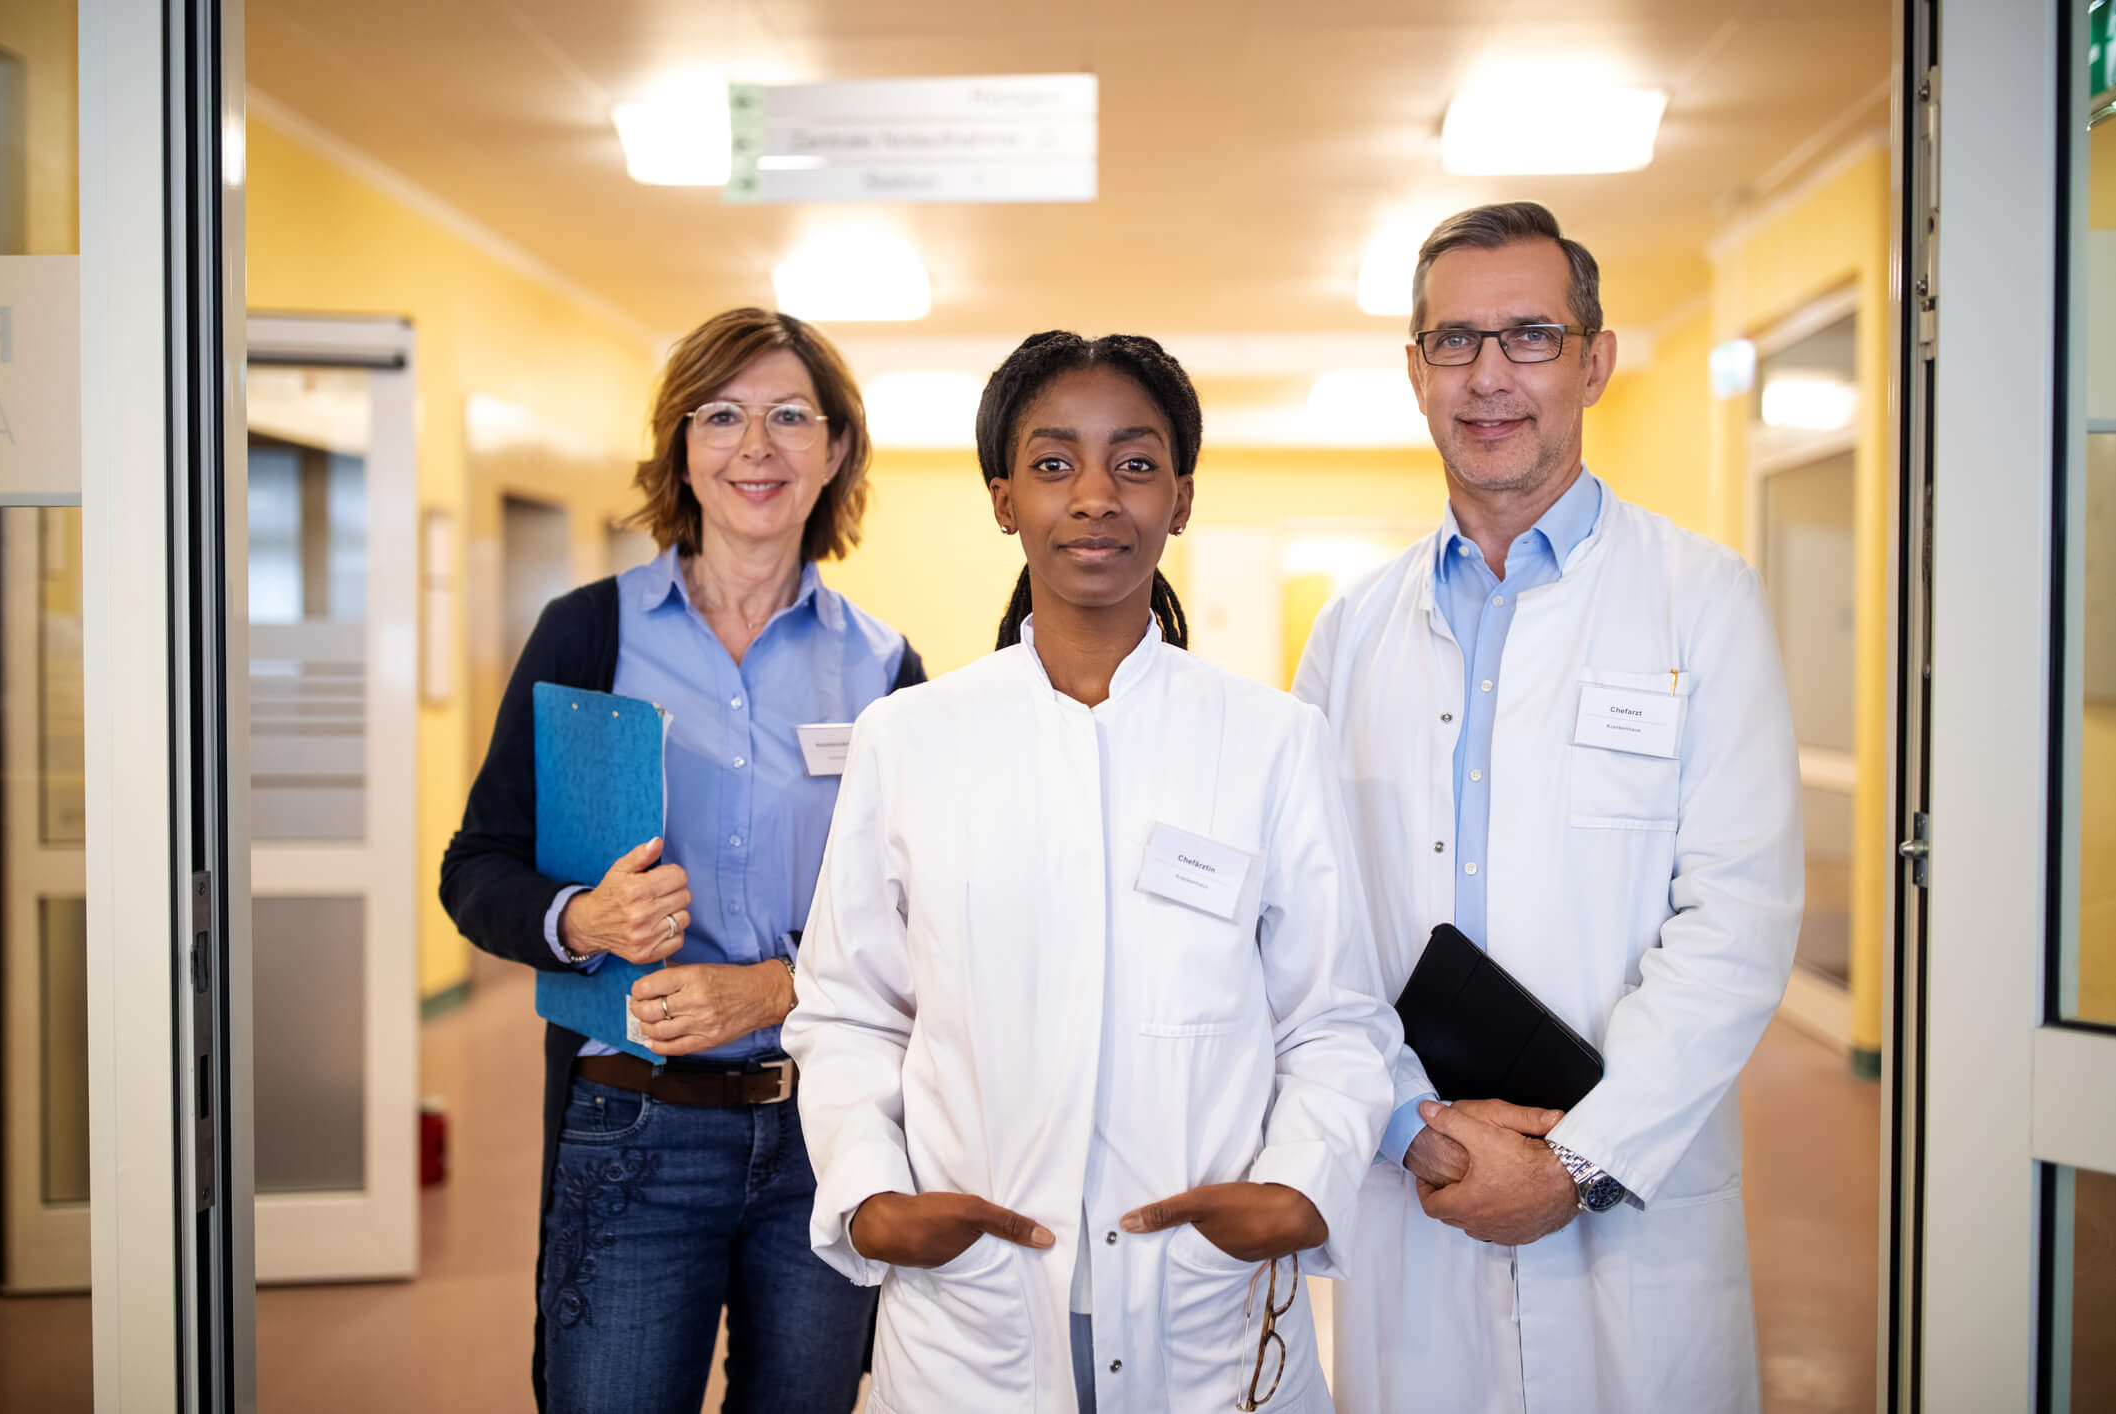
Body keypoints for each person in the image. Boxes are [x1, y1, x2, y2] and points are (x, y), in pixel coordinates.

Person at [780, 331, 1399, 1414]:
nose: (1098, 496)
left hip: (1206, 1297)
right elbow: (845, 1011)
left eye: (1137, 461)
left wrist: (1300, 1184)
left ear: (1183, 497)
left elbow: (1333, 1018)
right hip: (971, 1303)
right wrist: (871, 1191)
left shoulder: (1269, 739)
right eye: (1055, 463)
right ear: (1003, 498)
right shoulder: (911, 738)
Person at [1293, 200, 1804, 1414]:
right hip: (1421, 1167)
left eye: (1529, 335)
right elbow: (1312, 927)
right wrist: (1417, 1123)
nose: (1490, 377)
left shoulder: (1700, 600)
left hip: (1632, 1195)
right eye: (1455, 343)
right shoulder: (1351, 632)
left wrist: (1576, 1159)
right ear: (1414, 372)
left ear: (1595, 358)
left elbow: (1735, 922)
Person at [438, 307, 926, 1413]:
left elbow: (929, 927)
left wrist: (778, 985)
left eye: (791, 416)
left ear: (836, 448)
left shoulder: (889, 671)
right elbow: (477, 867)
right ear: (682, 445)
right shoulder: (587, 633)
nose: (756, 447)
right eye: (723, 415)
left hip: (826, 1129)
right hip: (632, 1126)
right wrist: (582, 917)